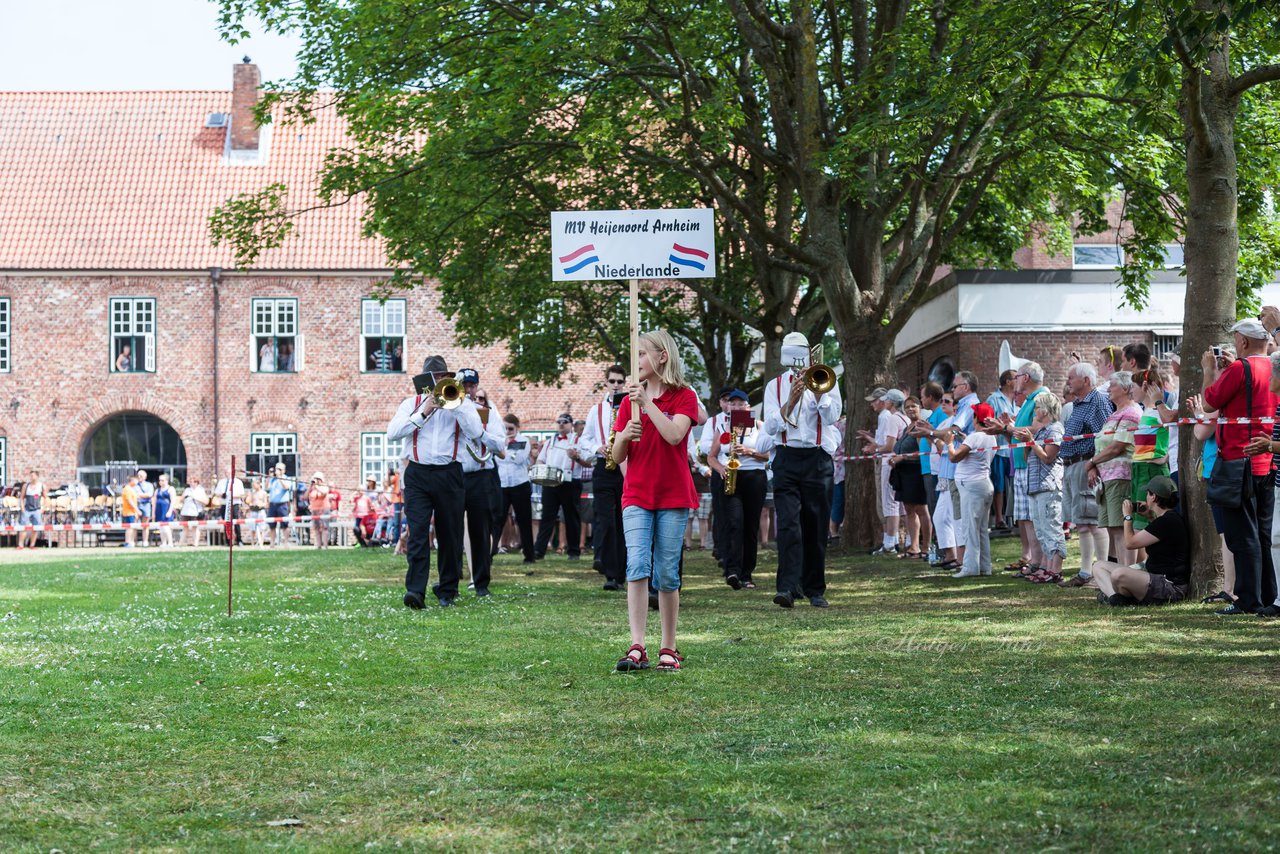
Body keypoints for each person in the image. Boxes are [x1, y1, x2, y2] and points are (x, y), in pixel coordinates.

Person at [611, 330, 700, 672]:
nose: (638, 363)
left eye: (643, 354)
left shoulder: (684, 395)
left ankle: (669, 647)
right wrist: (624, 436)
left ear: (663, 357)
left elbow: (675, 434)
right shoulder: (626, 402)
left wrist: (647, 404)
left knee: (666, 572)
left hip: (673, 494)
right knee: (636, 566)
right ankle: (637, 645)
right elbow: (618, 455)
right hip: (636, 492)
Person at [386, 355, 485, 608]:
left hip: (449, 473)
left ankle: (447, 590)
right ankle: (415, 591)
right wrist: (424, 411)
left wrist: (459, 405)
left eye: (443, 377)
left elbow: (476, 433)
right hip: (418, 474)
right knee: (418, 533)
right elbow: (393, 433)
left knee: (450, 534)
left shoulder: (461, 404)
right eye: (436, 378)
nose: (440, 381)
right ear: (425, 381)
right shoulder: (411, 403)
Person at [762, 331, 842, 608]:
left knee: (816, 525)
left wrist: (820, 395)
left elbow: (833, 418)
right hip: (786, 459)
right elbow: (771, 426)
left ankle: (815, 589)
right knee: (788, 525)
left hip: (818, 460)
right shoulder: (774, 386)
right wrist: (791, 401)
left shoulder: (826, 379)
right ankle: (787, 587)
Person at [1204, 320, 1278, 616]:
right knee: (1263, 534)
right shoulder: (1273, 366)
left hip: (1238, 462)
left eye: (1235, 340)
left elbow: (1209, 403)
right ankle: (1268, 595)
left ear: (1244, 342)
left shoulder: (1239, 369)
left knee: (1242, 536)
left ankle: (1247, 599)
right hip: (1268, 461)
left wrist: (1210, 371)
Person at [1057, 361, 1114, 588]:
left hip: (1085, 464)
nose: (1068, 381)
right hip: (1073, 465)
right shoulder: (1079, 404)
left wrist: (1094, 466)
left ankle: (1101, 571)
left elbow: (1104, 437)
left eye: (1072, 377)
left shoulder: (1097, 402)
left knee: (1093, 521)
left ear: (1086, 380)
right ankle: (1085, 571)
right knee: (1082, 522)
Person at [1091, 476, 1189, 606]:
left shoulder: (1167, 521)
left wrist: (1127, 516)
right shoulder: (1165, 519)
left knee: (1118, 574)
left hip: (1169, 586)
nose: (1146, 497)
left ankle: (1119, 597)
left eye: (1148, 493)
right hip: (1154, 578)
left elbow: (1130, 543)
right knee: (1098, 566)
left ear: (1153, 497)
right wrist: (1149, 517)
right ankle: (1115, 598)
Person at [711, 389, 774, 589]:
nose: (737, 407)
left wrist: (749, 451)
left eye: (741, 404)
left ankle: (747, 574)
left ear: (748, 406)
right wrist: (720, 468)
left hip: (754, 476)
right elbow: (711, 456)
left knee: (750, 525)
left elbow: (769, 456)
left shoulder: (759, 425)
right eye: (733, 403)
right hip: (730, 476)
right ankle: (732, 570)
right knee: (734, 523)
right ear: (728, 406)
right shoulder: (722, 426)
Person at [580, 365, 629, 589]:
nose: (616, 385)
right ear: (606, 383)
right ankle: (609, 572)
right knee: (606, 519)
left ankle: (621, 573)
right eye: (613, 381)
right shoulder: (596, 410)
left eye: (620, 381)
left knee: (622, 521)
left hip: (626, 466)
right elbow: (585, 440)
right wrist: (597, 448)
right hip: (603, 467)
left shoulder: (632, 406)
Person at [1085, 371, 1142, 569]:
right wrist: (1094, 467)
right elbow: (1103, 446)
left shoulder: (1132, 413)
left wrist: (1092, 462)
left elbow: (1117, 446)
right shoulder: (1114, 414)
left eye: (1113, 385)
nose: (1108, 389)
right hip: (1107, 478)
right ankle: (1119, 575)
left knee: (1122, 528)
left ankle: (1127, 574)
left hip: (1121, 476)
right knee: (1113, 529)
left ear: (1126, 389)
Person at [457, 371, 505, 597]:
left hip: (481, 474)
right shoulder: (450, 409)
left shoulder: (489, 412)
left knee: (480, 529)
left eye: (471, 386)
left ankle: (481, 582)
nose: (468, 390)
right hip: (455, 474)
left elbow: (499, 444)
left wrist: (479, 432)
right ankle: (450, 582)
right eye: (463, 385)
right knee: (451, 529)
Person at [943, 402, 998, 578]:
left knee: (970, 528)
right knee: (981, 528)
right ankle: (984, 566)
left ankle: (970, 567)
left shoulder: (975, 437)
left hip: (971, 486)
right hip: (983, 484)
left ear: (977, 419)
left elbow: (954, 457)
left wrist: (949, 444)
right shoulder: (991, 437)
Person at [1015, 393, 1065, 583]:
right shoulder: (1042, 431)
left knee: (1052, 528)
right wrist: (1028, 442)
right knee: (1041, 530)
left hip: (1049, 486)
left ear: (1046, 409)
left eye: (1037, 407)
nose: (1034, 411)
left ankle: (1056, 570)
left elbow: (1048, 457)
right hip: (1036, 486)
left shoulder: (1055, 429)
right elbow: (1031, 458)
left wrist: (1032, 441)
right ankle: (1046, 567)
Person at [861, 388, 909, 555]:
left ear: (892, 402)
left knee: (890, 502)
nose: (884, 402)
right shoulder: (905, 418)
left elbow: (889, 445)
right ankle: (902, 540)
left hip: (889, 461)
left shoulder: (892, 418)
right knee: (900, 503)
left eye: (887, 400)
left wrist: (875, 450)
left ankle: (890, 542)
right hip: (898, 461)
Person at [534, 413, 583, 561]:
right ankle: (539, 550)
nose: (561, 424)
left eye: (565, 422)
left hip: (570, 482)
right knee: (547, 517)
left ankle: (574, 551)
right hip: (550, 482)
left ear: (571, 425)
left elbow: (587, 460)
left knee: (571, 517)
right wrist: (541, 469)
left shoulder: (578, 440)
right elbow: (540, 459)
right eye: (559, 422)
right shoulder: (550, 441)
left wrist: (576, 457)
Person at [888, 396, 931, 561]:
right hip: (903, 474)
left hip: (916, 472)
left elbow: (923, 453)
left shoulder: (920, 426)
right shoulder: (907, 427)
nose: (911, 410)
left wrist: (903, 458)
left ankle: (926, 546)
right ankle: (914, 546)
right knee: (909, 510)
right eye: (907, 407)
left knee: (921, 509)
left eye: (914, 406)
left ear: (920, 408)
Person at [497, 414, 536, 564]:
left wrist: (505, 449)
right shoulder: (500, 441)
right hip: (503, 484)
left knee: (523, 520)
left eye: (510, 428)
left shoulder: (523, 441)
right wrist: (505, 447)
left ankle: (529, 555)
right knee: (498, 519)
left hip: (520, 484)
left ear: (517, 427)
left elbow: (519, 459)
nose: (508, 431)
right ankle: (491, 551)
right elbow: (496, 459)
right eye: (505, 428)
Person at [986, 370, 1017, 530]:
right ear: (1007, 381)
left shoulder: (1018, 399)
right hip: (998, 448)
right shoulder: (993, 399)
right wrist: (1002, 424)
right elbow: (987, 421)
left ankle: (1017, 516)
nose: (1018, 380)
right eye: (1015, 378)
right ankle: (999, 518)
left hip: (1013, 447)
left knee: (1014, 482)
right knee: (998, 485)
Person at [266, 464, 293, 546]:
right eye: (276, 469)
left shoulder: (287, 478)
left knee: (285, 524)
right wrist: (269, 477)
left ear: (283, 470)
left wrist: (279, 478)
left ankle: (285, 543)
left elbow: (286, 487)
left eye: (279, 469)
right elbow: (267, 488)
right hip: (273, 504)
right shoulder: (273, 479)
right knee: (271, 525)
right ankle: (272, 543)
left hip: (282, 505)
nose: (277, 471)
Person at [17, 470, 45, 550]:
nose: (31, 477)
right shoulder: (26, 486)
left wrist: (43, 508)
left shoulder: (41, 486)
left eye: (33, 476)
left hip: (37, 510)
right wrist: (22, 507)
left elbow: (45, 498)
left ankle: (32, 545)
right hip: (27, 509)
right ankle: (21, 545)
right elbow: (21, 498)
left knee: (35, 528)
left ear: (37, 476)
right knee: (23, 527)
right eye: (30, 476)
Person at [179, 477, 208, 547]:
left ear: (197, 483)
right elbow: (181, 500)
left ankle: (196, 543)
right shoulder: (187, 490)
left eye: (194, 482)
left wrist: (195, 498)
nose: (192, 483)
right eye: (191, 482)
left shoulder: (200, 490)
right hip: (186, 511)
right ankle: (180, 543)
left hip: (195, 512)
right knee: (185, 528)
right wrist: (184, 498)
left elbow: (206, 502)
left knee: (195, 527)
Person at [307, 474, 332, 550]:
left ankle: (325, 546)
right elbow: (305, 496)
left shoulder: (325, 487)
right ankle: (318, 546)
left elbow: (324, 493)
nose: (316, 481)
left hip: (324, 509)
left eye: (318, 479)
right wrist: (310, 487)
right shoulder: (312, 489)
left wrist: (317, 487)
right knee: (317, 528)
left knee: (324, 528)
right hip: (315, 510)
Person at [154, 473, 177, 548]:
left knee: (166, 527)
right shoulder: (157, 490)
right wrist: (153, 513)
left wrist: (170, 511)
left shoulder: (171, 489)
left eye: (162, 480)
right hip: (159, 510)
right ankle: (163, 543)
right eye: (159, 480)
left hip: (166, 510)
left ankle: (170, 542)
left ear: (167, 481)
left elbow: (173, 501)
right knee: (161, 527)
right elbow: (154, 501)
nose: (160, 482)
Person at [135, 470, 154, 547]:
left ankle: (145, 541)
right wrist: (143, 495)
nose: (139, 477)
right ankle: (133, 541)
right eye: (138, 475)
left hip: (146, 505)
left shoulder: (149, 485)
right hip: (137, 504)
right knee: (134, 524)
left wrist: (140, 495)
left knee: (145, 524)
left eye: (141, 476)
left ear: (145, 477)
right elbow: (133, 495)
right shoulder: (135, 485)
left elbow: (150, 494)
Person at [246, 479, 269, 546]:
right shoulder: (252, 493)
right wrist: (250, 504)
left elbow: (266, 503)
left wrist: (261, 505)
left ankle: (261, 542)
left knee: (262, 528)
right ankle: (252, 543)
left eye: (255, 484)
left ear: (259, 484)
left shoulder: (263, 493)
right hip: (253, 511)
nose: (254, 486)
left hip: (261, 511)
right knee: (252, 528)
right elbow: (249, 501)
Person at [120, 474, 140, 548]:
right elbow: (130, 501)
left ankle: (131, 542)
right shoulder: (127, 489)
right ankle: (128, 542)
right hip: (129, 512)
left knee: (133, 527)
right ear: (132, 480)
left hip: (133, 512)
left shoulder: (132, 489)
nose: (137, 481)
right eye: (136, 480)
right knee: (129, 527)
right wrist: (137, 510)